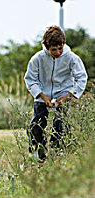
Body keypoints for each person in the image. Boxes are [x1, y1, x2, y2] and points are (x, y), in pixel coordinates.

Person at [24, 25, 88, 161]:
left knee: (59, 125)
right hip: (42, 94)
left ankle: (57, 153)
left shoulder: (71, 58)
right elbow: (30, 79)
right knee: (36, 125)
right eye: (54, 49)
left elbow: (81, 78)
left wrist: (69, 95)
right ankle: (39, 154)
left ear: (64, 44)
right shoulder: (37, 59)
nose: (58, 52)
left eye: (60, 48)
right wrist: (42, 95)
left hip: (63, 93)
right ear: (46, 47)